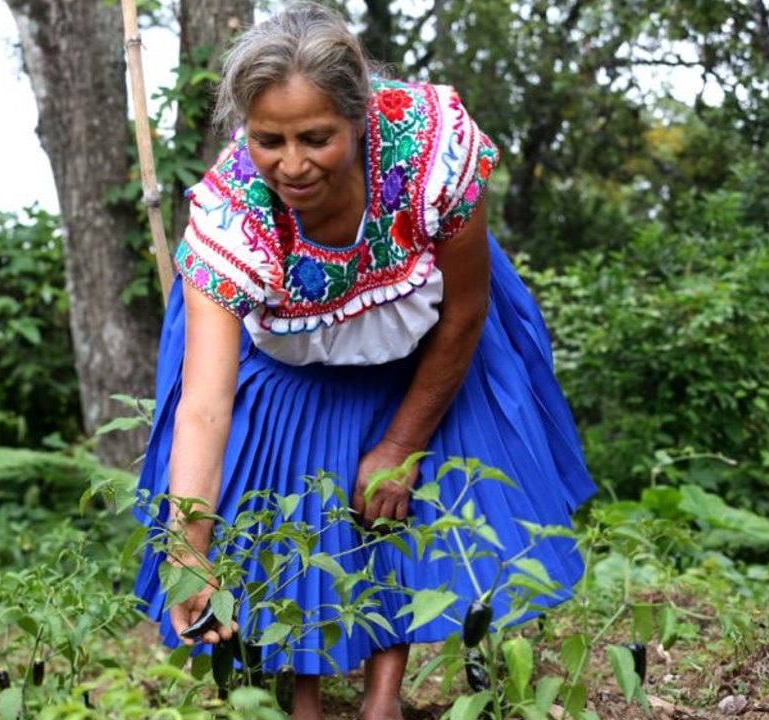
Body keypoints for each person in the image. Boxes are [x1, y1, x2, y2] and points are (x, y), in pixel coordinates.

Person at [132, 3, 596, 718]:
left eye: (316, 138)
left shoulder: (430, 153)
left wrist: (401, 445)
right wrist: (188, 547)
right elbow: (205, 405)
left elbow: (465, 313)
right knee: (288, 501)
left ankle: (385, 702)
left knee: (393, 495)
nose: (292, 164)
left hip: (426, 332)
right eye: (268, 140)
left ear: (361, 118)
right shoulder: (232, 214)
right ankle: (304, 699)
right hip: (288, 354)